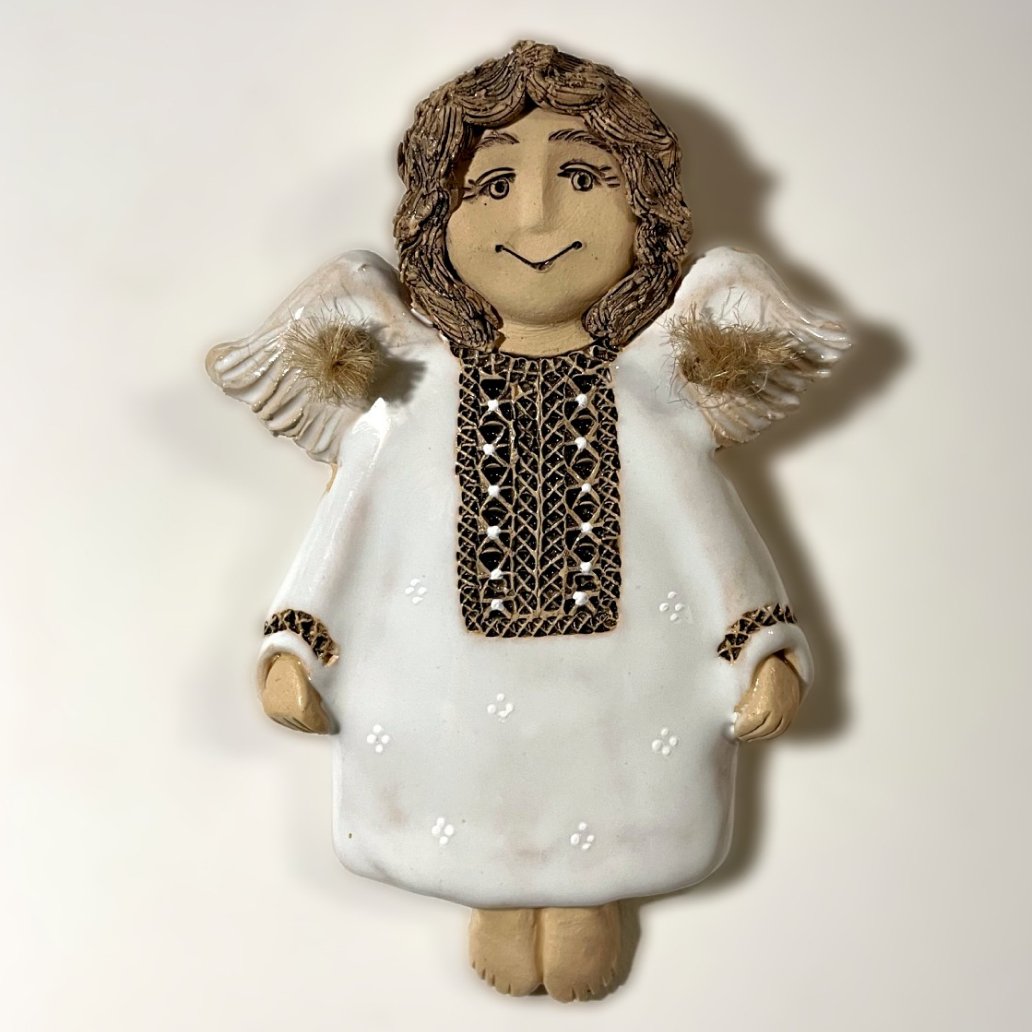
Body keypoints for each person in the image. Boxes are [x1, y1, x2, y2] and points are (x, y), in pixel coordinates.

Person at [207, 40, 848, 1002]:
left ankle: (588, 899)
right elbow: (351, 523)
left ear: (644, 208)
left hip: (624, 693)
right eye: (493, 183)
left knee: (611, 794)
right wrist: (298, 642)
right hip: (446, 692)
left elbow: (711, 528)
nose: (537, 215)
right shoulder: (412, 391)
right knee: (467, 790)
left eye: (582, 177)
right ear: (438, 217)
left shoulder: (652, 393)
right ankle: (494, 892)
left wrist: (762, 646)